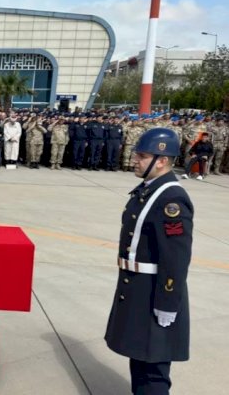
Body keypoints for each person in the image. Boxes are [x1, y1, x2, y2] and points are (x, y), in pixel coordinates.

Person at [105, 128, 192, 395]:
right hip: (137, 288)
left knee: (153, 370)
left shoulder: (171, 199)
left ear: (162, 160)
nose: (134, 160)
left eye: (141, 156)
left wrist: (167, 303)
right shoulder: (147, 190)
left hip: (155, 292)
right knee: (139, 359)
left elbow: (175, 258)